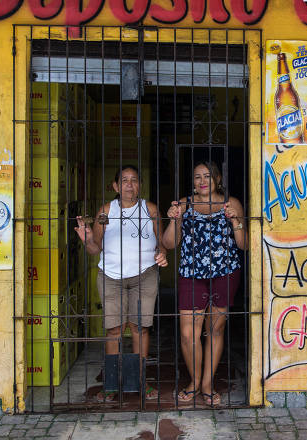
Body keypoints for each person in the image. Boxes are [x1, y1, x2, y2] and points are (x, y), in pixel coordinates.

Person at [74, 165, 167, 402]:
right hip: (111, 277)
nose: (129, 185)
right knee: (114, 329)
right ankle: (112, 384)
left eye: (134, 180)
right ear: (116, 186)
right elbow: (95, 248)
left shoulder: (150, 209)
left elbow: (162, 242)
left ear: (140, 185)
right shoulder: (106, 211)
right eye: (124, 180)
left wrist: (162, 253)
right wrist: (87, 240)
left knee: (140, 328)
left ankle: (141, 381)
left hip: (145, 275)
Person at [162, 161, 247, 406]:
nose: (202, 181)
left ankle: (208, 385)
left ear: (217, 179)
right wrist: (175, 219)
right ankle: (195, 381)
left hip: (225, 272)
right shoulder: (184, 204)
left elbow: (244, 244)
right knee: (188, 333)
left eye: (207, 176)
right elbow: (169, 244)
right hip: (191, 273)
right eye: (197, 176)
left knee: (215, 330)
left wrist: (235, 221)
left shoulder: (231, 203)